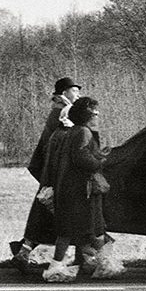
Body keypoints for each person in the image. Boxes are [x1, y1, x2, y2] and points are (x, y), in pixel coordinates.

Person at [37, 97, 113, 280]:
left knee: (66, 231)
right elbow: (83, 159)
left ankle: (56, 266)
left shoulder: (72, 132)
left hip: (69, 189)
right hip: (82, 191)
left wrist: (98, 153)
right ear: (87, 115)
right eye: (95, 113)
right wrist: (102, 160)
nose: (98, 116)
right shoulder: (84, 132)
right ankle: (104, 265)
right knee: (96, 228)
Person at [11, 77, 82, 263]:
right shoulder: (63, 112)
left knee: (46, 213)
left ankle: (24, 251)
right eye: (75, 90)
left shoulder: (59, 110)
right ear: (64, 93)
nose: (78, 94)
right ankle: (25, 252)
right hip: (56, 171)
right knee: (52, 212)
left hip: (51, 169)